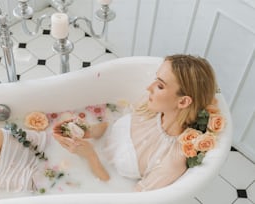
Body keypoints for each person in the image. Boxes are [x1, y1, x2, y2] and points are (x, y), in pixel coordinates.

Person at [53, 54, 218, 191]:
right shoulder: (150, 106)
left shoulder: (171, 159)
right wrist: (87, 130)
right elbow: (114, 128)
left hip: (102, 178)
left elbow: (125, 195)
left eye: (160, 86)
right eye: (155, 79)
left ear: (182, 102)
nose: (149, 88)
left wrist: (90, 155)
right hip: (96, 150)